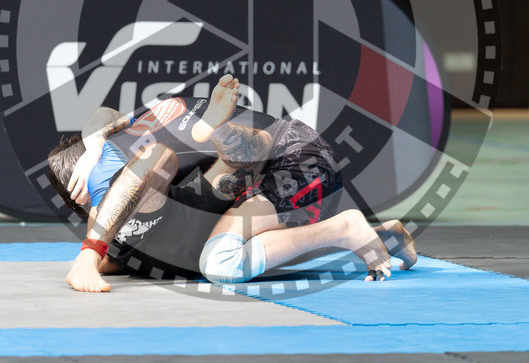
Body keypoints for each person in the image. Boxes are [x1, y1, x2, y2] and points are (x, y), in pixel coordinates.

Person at [47, 74, 416, 292]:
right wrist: (94, 142)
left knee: (220, 260)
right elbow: (105, 117)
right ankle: (380, 237)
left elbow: (263, 146)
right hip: (270, 176)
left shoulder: (157, 150)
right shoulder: (123, 144)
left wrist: (217, 130)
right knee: (237, 245)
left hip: (295, 158)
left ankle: (347, 229)